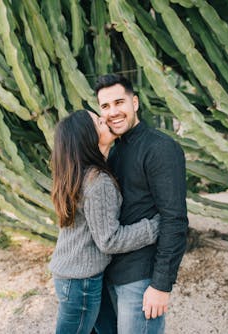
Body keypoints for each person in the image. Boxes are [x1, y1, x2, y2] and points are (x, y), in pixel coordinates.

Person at [48, 109, 161, 334]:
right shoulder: (98, 182)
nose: (106, 119)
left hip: (76, 276)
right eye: (99, 121)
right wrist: (154, 226)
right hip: (81, 282)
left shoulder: (81, 174)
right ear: (89, 137)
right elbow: (109, 240)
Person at [94, 74, 188, 334]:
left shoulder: (160, 148)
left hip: (141, 278)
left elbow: (175, 219)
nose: (113, 112)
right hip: (108, 273)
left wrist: (161, 285)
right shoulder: (111, 149)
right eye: (105, 106)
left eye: (119, 102)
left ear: (135, 103)